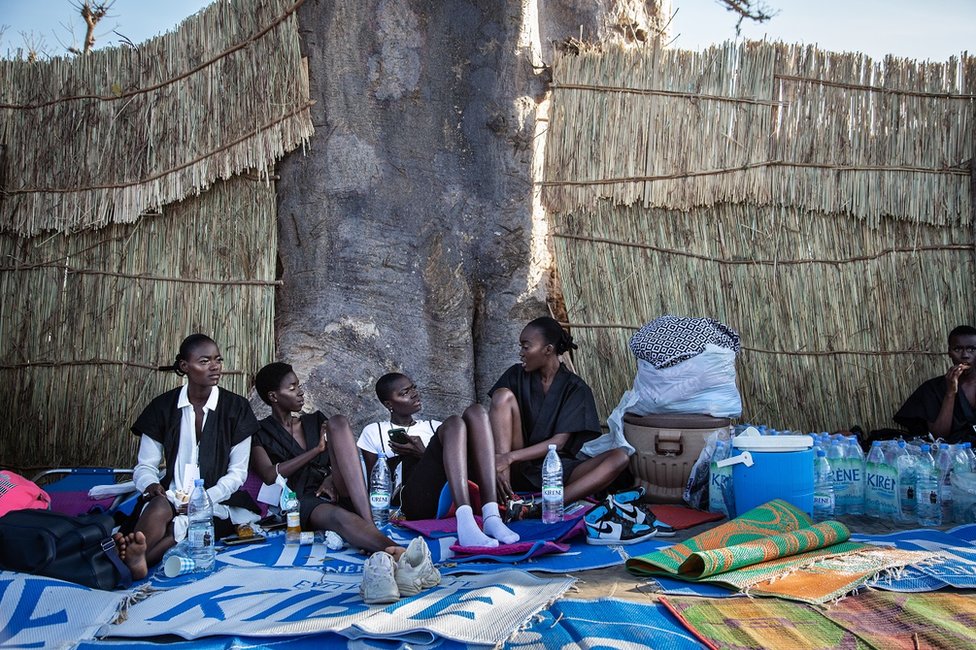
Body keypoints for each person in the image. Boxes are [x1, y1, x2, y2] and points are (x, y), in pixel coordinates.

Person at [489, 317, 654, 544]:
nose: (521, 353)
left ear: (548, 350)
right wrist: (506, 459)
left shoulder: (575, 388)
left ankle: (543, 506)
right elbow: (501, 422)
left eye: (526, 347)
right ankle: (505, 501)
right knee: (502, 395)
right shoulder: (515, 375)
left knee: (620, 457)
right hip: (516, 467)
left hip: (557, 471)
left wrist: (509, 456)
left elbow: (559, 443)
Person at [123, 334, 261, 579]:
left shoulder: (236, 408)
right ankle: (138, 558)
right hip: (172, 494)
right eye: (205, 361)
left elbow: (237, 474)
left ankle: (136, 560)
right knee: (159, 507)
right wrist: (151, 484)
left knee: (188, 527)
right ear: (185, 367)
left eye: (217, 360)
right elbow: (145, 466)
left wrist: (202, 501)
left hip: (218, 499)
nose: (215, 366)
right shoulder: (162, 407)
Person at [251, 362, 405, 559]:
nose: (300, 392)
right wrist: (316, 451)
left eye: (298, 385)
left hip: (338, 487)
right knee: (341, 518)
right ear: (273, 396)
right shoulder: (260, 432)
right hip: (301, 499)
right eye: (292, 388)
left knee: (338, 421)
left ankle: (369, 524)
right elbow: (269, 474)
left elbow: (340, 459)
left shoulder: (314, 420)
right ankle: (397, 552)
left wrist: (331, 478)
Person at [358, 373, 520, 548]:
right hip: (410, 503)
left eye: (414, 388)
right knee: (454, 423)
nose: (414, 394)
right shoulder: (374, 431)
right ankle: (466, 523)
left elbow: (459, 466)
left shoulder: (433, 427)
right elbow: (374, 485)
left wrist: (423, 453)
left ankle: (491, 516)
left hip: (443, 494)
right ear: (389, 404)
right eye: (405, 393)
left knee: (476, 412)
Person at [895, 325, 976, 443]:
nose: (965, 355)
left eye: (972, 349)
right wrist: (950, 393)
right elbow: (938, 436)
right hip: (951, 455)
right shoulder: (932, 389)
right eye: (957, 349)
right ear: (949, 352)